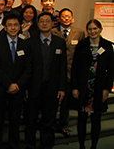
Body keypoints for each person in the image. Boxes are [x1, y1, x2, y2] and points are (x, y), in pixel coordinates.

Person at [25, 12, 67, 149]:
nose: (44, 23)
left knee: (49, 121)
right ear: (37, 24)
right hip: (33, 88)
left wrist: (61, 88)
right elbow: (27, 68)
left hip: (53, 89)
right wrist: (26, 88)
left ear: (53, 23)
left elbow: (63, 67)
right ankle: (30, 145)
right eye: (41, 21)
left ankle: (47, 146)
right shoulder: (30, 42)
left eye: (47, 21)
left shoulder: (60, 42)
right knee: (31, 120)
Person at [0, 14, 31, 148]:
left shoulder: (25, 42)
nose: (13, 28)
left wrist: (17, 84)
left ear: (20, 27)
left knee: (15, 120)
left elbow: (28, 68)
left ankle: (14, 145)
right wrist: (8, 84)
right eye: (10, 25)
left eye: (15, 25)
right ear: (5, 27)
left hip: (18, 89)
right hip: (1, 88)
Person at [71, 19, 113, 149]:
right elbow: (75, 67)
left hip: (99, 88)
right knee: (82, 119)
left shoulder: (107, 45)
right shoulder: (82, 44)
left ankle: (94, 146)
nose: (92, 31)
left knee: (96, 120)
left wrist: (107, 89)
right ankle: (82, 145)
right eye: (90, 29)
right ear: (87, 31)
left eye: (95, 28)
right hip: (84, 87)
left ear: (100, 29)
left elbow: (112, 69)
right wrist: (74, 87)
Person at [51, 8, 85, 136]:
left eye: (68, 16)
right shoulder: (53, 31)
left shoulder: (80, 33)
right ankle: (51, 124)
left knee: (66, 101)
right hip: (55, 72)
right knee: (53, 100)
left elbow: (82, 53)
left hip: (71, 72)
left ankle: (63, 124)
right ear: (59, 18)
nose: (66, 18)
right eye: (63, 16)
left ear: (72, 18)